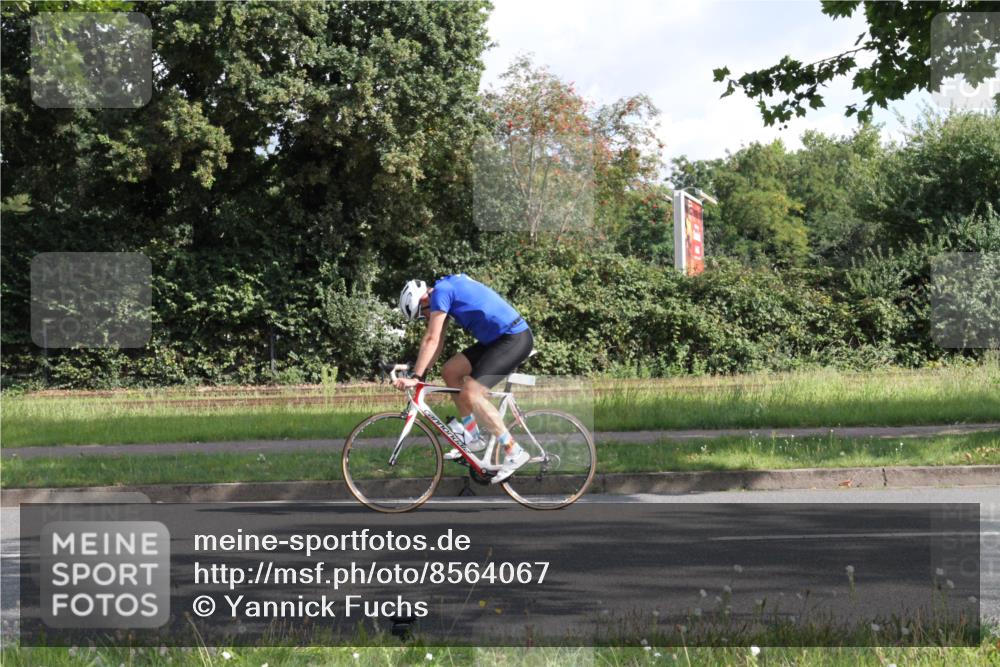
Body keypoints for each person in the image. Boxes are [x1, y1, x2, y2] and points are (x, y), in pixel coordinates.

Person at [395, 274, 533, 484]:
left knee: (471, 392)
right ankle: (473, 437)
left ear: (423, 300)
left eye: (422, 315)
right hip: (496, 340)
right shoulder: (444, 291)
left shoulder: (442, 292)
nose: (425, 318)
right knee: (450, 371)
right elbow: (438, 339)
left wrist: (416, 377)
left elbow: (431, 339)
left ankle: (514, 450)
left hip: (513, 337)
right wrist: (421, 374)